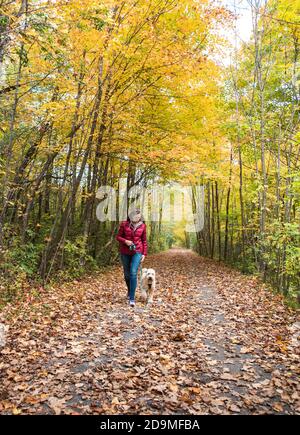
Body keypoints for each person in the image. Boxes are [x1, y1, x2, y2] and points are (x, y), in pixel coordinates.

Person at [116, 208, 147, 307]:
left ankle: (132, 298)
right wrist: (126, 241)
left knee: (133, 272)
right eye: (135, 215)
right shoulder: (124, 224)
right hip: (125, 251)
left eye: (138, 216)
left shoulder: (143, 225)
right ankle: (130, 291)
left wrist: (144, 254)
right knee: (127, 274)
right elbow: (118, 237)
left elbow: (144, 241)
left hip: (137, 251)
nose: (137, 217)